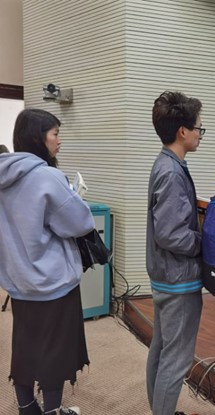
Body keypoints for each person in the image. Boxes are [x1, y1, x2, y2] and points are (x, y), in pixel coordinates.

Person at [0, 109, 95, 415]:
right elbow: (80, 223)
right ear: (38, 138)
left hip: (18, 280)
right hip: (52, 281)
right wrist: (73, 196)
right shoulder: (47, 177)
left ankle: (27, 408)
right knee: (56, 354)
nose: (59, 140)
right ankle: (53, 411)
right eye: (55, 134)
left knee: (25, 348)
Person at [145, 91, 205, 415]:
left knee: (162, 349)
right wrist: (204, 243)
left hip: (165, 274)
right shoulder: (171, 172)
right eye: (198, 128)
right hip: (178, 278)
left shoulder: (166, 163)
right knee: (176, 359)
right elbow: (170, 234)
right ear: (183, 131)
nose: (200, 134)